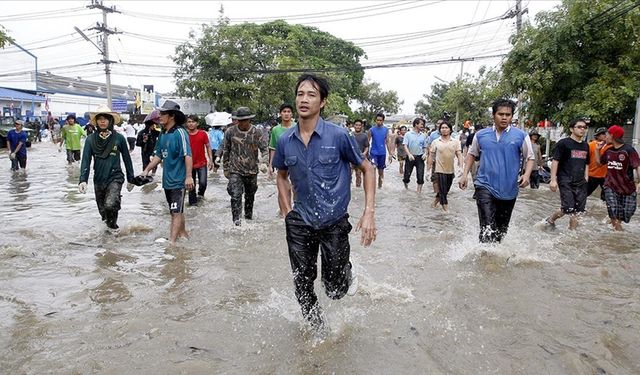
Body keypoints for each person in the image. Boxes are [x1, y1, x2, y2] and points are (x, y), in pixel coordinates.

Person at [272, 74, 377, 331]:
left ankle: (346, 271)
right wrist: (287, 213)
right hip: (300, 221)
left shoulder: (339, 136)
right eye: (300, 94)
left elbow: (367, 168)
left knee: (335, 290)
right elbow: (281, 175)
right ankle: (317, 331)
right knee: (302, 282)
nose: (304, 100)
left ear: (323, 102)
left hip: (334, 221)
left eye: (311, 95)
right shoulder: (286, 140)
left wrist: (369, 213)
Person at [459, 99, 534, 243]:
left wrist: (526, 175)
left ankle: (496, 259)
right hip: (484, 185)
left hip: (509, 189)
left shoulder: (521, 136)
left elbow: (530, 157)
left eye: (508, 114)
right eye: (501, 114)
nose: (504, 117)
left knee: (501, 231)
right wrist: (464, 175)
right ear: (493, 115)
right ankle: (486, 261)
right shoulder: (481, 135)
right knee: (487, 227)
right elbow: (472, 154)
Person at [140, 100, 194, 244]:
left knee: (175, 212)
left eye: (163, 114)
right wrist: (146, 170)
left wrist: (189, 177)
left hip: (179, 180)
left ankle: (171, 243)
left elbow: (187, 155)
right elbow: (158, 155)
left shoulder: (180, 133)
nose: (159, 116)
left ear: (172, 116)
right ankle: (183, 235)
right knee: (175, 211)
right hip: (167, 180)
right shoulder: (163, 134)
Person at [78, 106, 135, 230]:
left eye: (105, 119)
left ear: (110, 121)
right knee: (103, 213)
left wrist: (131, 179)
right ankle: (110, 234)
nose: (103, 121)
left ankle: (113, 228)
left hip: (115, 177)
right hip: (99, 179)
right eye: (100, 119)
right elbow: (86, 161)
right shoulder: (90, 139)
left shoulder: (119, 138)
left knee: (110, 204)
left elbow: (127, 159)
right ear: (96, 121)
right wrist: (83, 179)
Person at [221, 106, 268, 226]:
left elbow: (264, 149)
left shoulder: (257, 132)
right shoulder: (230, 132)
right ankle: (236, 223)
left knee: (250, 196)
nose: (241, 123)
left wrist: (264, 162)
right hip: (235, 170)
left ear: (249, 120)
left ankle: (248, 218)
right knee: (235, 195)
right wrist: (225, 168)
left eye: (244, 120)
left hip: (252, 170)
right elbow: (226, 149)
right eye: (239, 120)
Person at [545, 118, 590, 230]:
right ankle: (551, 219)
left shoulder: (586, 146)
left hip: (580, 181)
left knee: (578, 211)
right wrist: (553, 180)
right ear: (571, 129)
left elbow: (587, 163)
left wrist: (586, 177)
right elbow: (555, 161)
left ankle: (571, 234)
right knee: (568, 208)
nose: (582, 129)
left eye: (584, 127)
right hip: (565, 180)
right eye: (579, 127)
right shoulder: (563, 143)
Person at [594, 125, 640, 231]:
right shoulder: (608, 151)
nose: (605, 136)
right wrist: (597, 150)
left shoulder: (629, 150)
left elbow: (637, 166)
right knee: (613, 212)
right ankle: (618, 234)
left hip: (627, 188)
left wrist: (639, 183)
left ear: (612, 136)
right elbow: (599, 164)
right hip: (610, 185)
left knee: (626, 215)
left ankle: (615, 227)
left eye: (607, 134)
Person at [428, 121, 463, 212]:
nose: (444, 129)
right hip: (439, 170)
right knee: (443, 192)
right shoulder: (436, 142)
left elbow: (459, 154)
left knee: (445, 190)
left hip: (450, 170)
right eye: (442, 128)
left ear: (450, 130)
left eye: (446, 127)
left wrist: (461, 167)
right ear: (439, 130)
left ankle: (434, 203)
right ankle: (446, 213)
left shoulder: (455, 142)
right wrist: (428, 170)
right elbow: (431, 156)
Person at [186, 114, 213, 206]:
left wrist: (211, 159)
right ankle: (192, 205)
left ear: (197, 123)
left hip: (201, 163)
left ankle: (200, 196)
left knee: (203, 183)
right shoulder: (184, 135)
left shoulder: (202, 133)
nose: (191, 124)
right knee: (190, 186)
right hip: (188, 164)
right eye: (189, 122)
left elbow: (208, 146)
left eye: (193, 122)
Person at [268, 104, 296, 178]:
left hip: (296, 163)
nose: (286, 114)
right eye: (284, 111)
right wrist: (270, 165)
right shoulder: (275, 130)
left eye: (288, 111)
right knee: (283, 184)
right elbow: (273, 148)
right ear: (280, 114)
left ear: (291, 114)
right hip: (281, 163)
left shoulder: (297, 127)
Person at [402, 118, 427, 192]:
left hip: (420, 157)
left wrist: (425, 153)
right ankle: (406, 189)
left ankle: (418, 192)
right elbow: (405, 145)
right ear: (416, 124)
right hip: (410, 157)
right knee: (406, 176)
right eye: (421, 124)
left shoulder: (423, 135)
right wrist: (409, 154)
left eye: (423, 124)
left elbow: (425, 147)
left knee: (420, 175)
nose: (423, 126)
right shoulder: (408, 134)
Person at [587, 127, 611, 201]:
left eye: (606, 133)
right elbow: (586, 160)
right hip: (592, 175)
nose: (605, 135)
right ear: (597, 136)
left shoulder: (610, 146)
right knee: (584, 194)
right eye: (603, 134)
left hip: (605, 176)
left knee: (606, 197)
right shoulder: (590, 145)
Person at [368, 112, 390, 188]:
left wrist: (390, 154)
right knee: (373, 168)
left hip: (382, 153)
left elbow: (387, 142)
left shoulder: (386, 130)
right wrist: (366, 153)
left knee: (381, 171)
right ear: (375, 120)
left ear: (383, 121)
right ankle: (372, 186)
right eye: (377, 120)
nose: (379, 122)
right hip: (373, 153)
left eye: (381, 120)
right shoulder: (371, 130)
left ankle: (380, 186)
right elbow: (367, 142)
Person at [352, 119, 370, 187]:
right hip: (351, 158)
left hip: (360, 158)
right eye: (356, 125)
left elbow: (367, 147)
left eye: (359, 125)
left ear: (362, 126)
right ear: (354, 126)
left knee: (358, 174)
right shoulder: (350, 134)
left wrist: (364, 154)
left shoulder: (364, 136)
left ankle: (358, 188)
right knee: (348, 175)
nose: (358, 126)